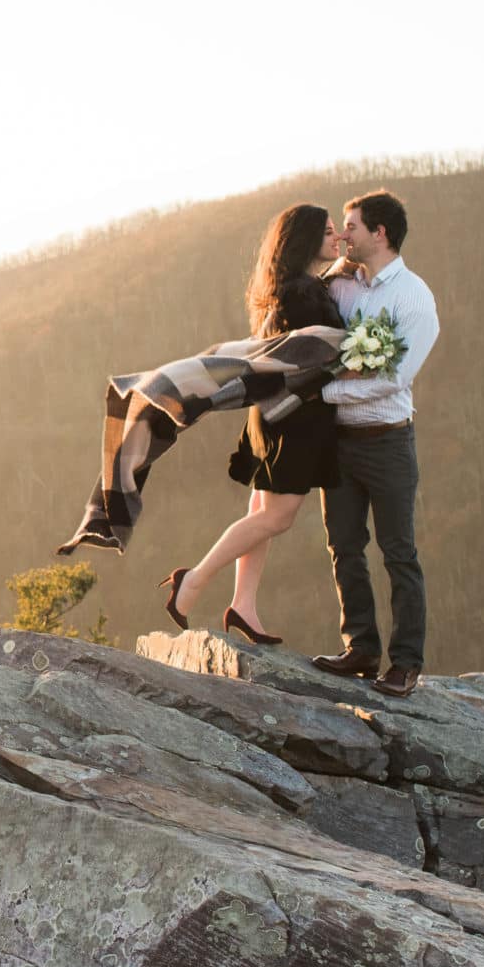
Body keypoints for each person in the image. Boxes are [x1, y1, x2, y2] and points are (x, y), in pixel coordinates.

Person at [163, 203, 344, 643]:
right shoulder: (304, 295)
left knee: (261, 513)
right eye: (328, 232)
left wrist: (340, 269)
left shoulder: (291, 288)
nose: (337, 237)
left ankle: (243, 605)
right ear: (305, 240)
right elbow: (319, 351)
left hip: (271, 413)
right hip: (294, 419)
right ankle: (194, 579)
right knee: (277, 518)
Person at [310, 189, 440, 697]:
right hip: (339, 443)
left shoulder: (414, 298)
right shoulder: (341, 287)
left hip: (388, 443)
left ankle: (405, 663)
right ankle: (360, 647)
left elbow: (397, 377)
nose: (343, 236)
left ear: (379, 233)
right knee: (343, 546)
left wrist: (327, 391)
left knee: (398, 552)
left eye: (351, 227)